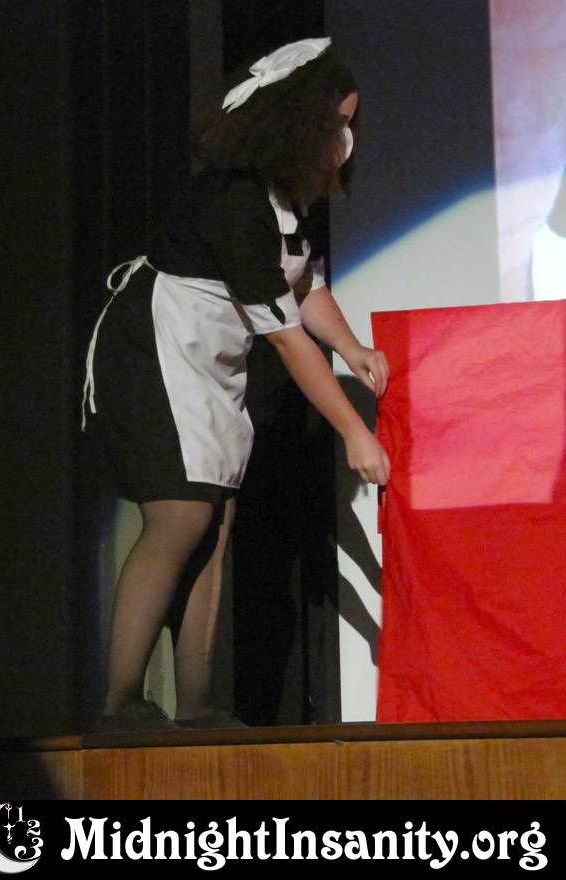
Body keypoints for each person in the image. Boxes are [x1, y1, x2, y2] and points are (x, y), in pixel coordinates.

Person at [82, 37, 391, 732]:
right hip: (157, 350)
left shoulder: (286, 201)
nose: (344, 140)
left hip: (209, 361)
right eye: (337, 123)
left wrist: (351, 347)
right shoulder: (236, 199)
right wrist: (353, 431)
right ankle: (121, 702)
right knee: (181, 517)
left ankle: (194, 706)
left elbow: (304, 287)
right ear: (299, 121)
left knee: (213, 525)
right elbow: (285, 335)